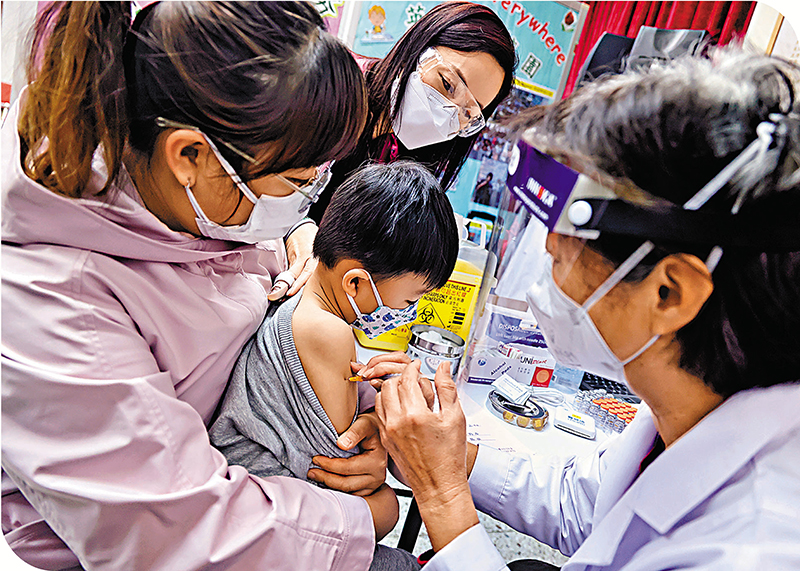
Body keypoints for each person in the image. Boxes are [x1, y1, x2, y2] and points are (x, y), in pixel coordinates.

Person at [359, 49, 800, 570]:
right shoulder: (684, 404)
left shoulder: (755, 547)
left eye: (563, 251)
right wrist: (442, 453)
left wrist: (442, 494)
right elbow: (583, 505)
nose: (546, 263)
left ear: (670, 293)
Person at [0, 2, 404, 570]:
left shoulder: (199, 207)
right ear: (190, 155)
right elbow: (181, 533)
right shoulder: (58, 302)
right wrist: (365, 517)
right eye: (296, 180)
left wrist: (364, 419)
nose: (308, 196)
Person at [209, 161, 459, 569]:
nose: (407, 312)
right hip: (266, 526)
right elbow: (347, 478)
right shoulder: (328, 332)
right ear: (355, 282)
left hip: (266, 502)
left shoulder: (302, 301)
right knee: (394, 525)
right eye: (409, 299)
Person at [308, 1, 517, 223]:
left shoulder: (419, 163)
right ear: (418, 48)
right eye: (447, 84)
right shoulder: (334, 84)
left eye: (467, 113)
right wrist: (298, 229)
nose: (447, 114)